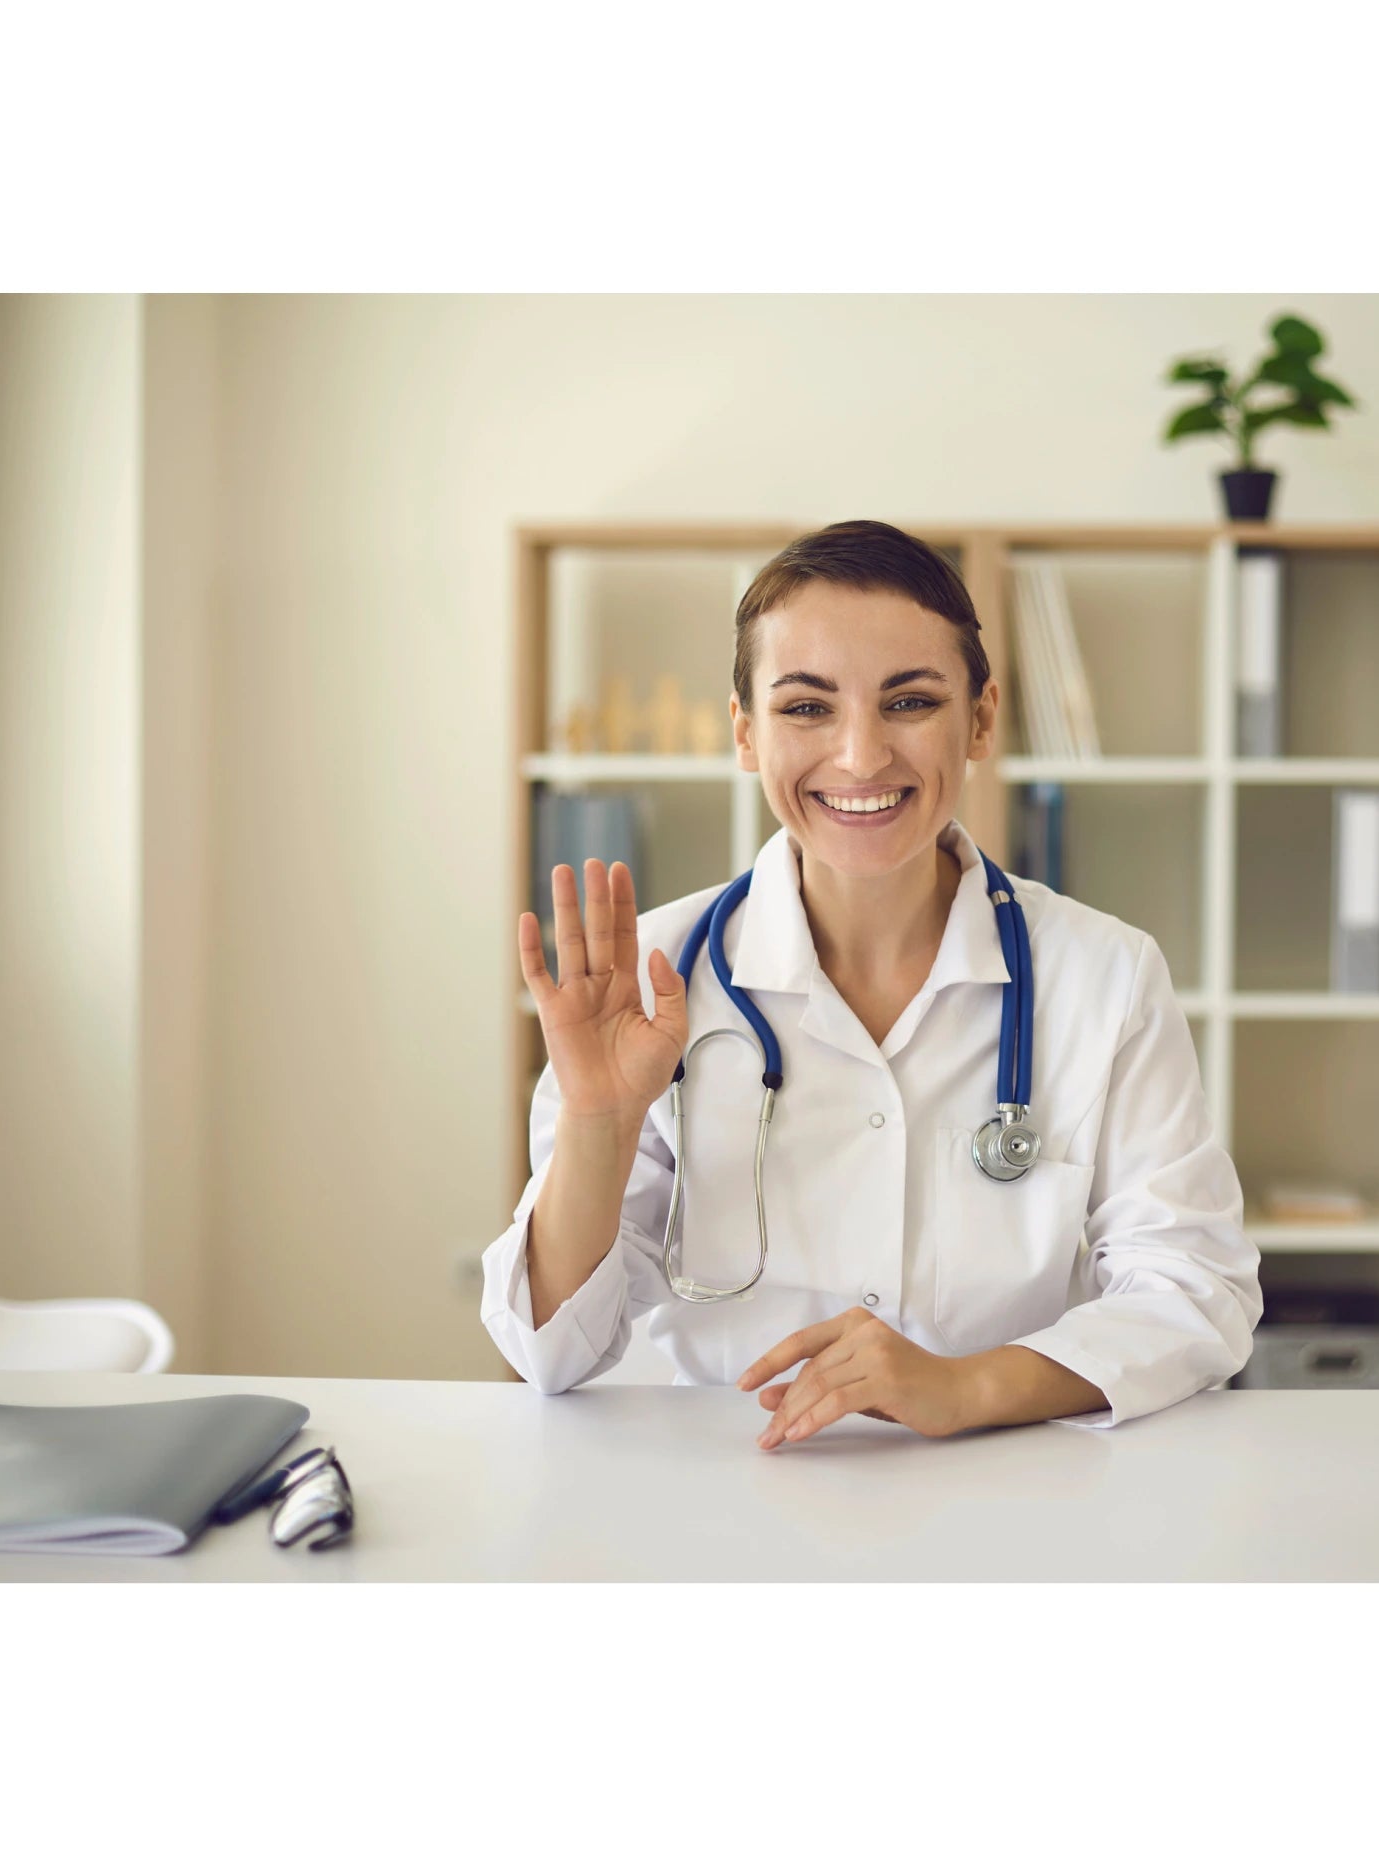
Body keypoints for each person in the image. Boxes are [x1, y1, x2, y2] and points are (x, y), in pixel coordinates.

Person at [481, 519, 1261, 1445]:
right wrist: (598, 1126)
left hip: (1008, 1495)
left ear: (978, 719)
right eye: (807, 707)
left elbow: (1194, 1290)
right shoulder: (648, 979)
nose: (859, 756)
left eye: (910, 702)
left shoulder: (1105, 974)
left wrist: (962, 1388)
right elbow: (552, 1354)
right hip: (718, 1501)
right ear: (743, 731)